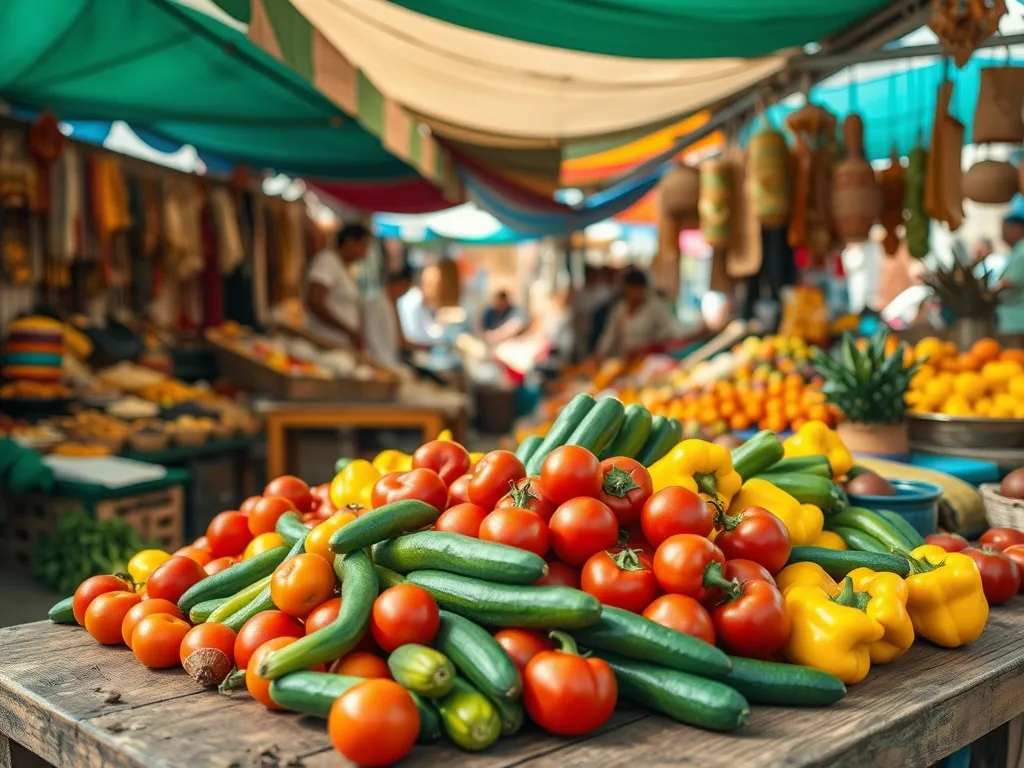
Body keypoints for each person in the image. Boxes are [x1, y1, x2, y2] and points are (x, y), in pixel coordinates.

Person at [592, 268, 682, 362]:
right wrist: (600, 353)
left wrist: (647, 346)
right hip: (625, 359)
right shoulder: (620, 309)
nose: (634, 293)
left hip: (650, 359)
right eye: (631, 289)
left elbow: (671, 332)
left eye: (638, 289)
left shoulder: (655, 307)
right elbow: (610, 335)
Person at [304, 222, 370, 348]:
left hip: (338, 344)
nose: (364, 254)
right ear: (350, 242)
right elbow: (314, 300)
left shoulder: (342, 267)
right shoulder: (328, 261)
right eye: (363, 246)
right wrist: (347, 330)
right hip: (325, 342)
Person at [364, 266, 420, 372]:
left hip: (389, 361)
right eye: (405, 288)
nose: (404, 292)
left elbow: (400, 340)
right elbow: (371, 337)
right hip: (379, 361)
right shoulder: (377, 303)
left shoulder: (390, 303)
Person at [996, 214, 1024, 334]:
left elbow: (1009, 282)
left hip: (1017, 319)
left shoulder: (1022, 251)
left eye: (1005, 229)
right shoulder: (1017, 250)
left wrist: (988, 291)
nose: (1002, 235)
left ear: (1018, 229)